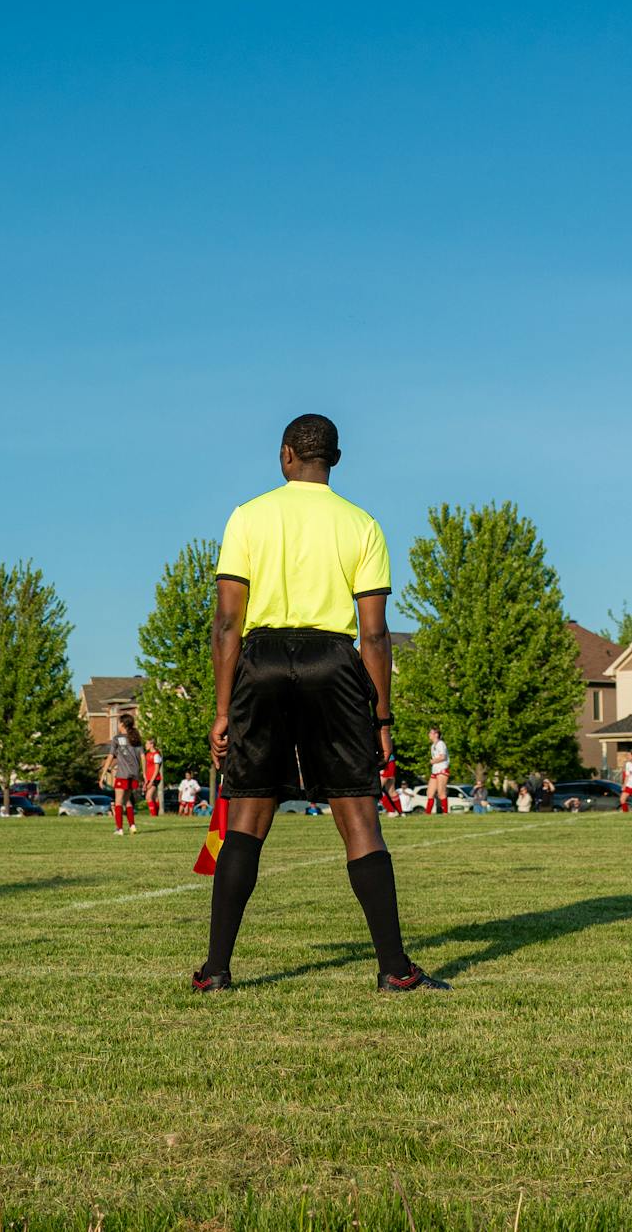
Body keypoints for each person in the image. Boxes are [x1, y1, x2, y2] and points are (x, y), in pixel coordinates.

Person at [197, 412, 445, 993]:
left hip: (261, 661)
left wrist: (223, 710)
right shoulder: (363, 525)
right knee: (358, 818)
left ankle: (216, 971)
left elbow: (227, 622)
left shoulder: (247, 516)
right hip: (333, 663)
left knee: (247, 816)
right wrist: (381, 717)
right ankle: (394, 970)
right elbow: (375, 635)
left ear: (286, 455)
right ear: (336, 458)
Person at [108, 712, 144, 835]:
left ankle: (119, 829)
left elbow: (110, 756)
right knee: (127, 800)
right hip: (134, 774)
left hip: (122, 774)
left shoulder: (117, 738)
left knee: (118, 801)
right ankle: (132, 826)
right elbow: (142, 756)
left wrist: (103, 773)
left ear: (123, 724)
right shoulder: (136, 738)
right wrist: (143, 774)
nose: (118, 725)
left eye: (119, 723)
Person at [427, 727, 450, 815]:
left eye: (431, 733)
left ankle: (445, 813)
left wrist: (433, 761)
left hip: (442, 769)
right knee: (430, 793)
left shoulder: (441, 744)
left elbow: (443, 757)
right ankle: (427, 813)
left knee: (441, 792)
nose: (429, 734)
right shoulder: (433, 746)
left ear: (436, 734)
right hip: (435, 770)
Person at [142, 740, 164, 817]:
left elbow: (156, 770)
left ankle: (153, 815)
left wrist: (151, 781)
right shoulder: (147, 754)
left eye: (147, 743)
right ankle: (156, 815)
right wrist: (145, 780)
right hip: (149, 778)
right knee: (155, 797)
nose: (145, 745)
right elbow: (147, 768)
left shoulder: (156, 755)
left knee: (148, 797)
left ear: (152, 744)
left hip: (155, 778)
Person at [378, 752, 402, 818]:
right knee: (391, 791)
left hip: (385, 763)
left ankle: (392, 811)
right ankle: (400, 812)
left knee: (377, 789)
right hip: (388, 762)